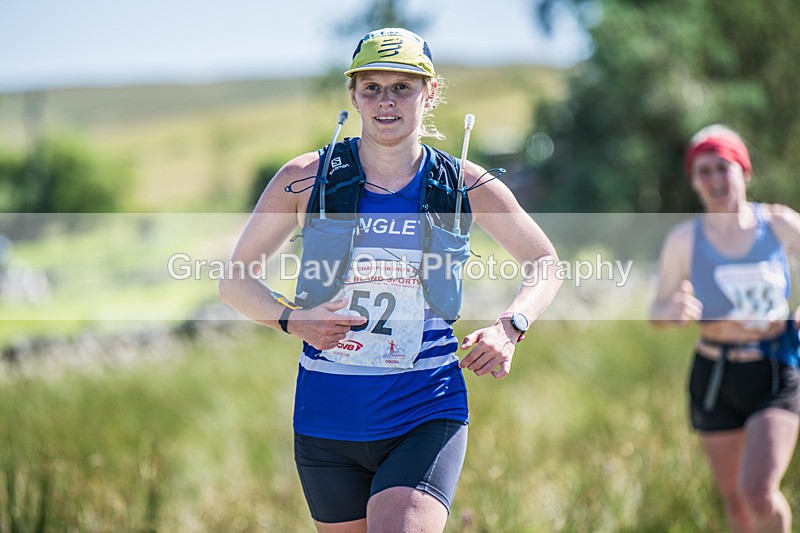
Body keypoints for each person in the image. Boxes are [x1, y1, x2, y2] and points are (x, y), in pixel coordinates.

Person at [219, 27, 561, 533]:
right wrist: (293, 319)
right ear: (353, 94)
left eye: (402, 87)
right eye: (372, 87)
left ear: (430, 92)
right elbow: (235, 281)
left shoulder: (463, 183)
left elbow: (545, 262)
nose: (386, 101)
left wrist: (511, 326)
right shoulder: (307, 178)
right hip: (326, 420)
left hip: (425, 410)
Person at [649, 124, 800, 532]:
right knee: (735, 503)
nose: (715, 179)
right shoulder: (685, 239)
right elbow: (656, 310)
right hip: (714, 374)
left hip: (773, 369)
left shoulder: (780, 224)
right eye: (704, 171)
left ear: (744, 172)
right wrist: (673, 309)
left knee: (758, 493)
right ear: (694, 182)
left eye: (722, 167)